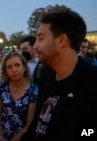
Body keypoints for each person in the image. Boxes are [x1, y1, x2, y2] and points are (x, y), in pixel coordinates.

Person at [21, 9, 97, 141]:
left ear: (61, 40)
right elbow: (38, 124)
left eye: (40, 39)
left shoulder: (92, 82)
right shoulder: (46, 75)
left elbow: (90, 131)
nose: (35, 46)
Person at [0, 52, 38, 141]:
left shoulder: (33, 90)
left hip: (23, 137)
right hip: (1, 136)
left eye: (17, 65)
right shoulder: (2, 88)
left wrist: (16, 138)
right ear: (5, 71)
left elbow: (30, 122)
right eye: (9, 67)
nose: (13, 70)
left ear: (24, 67)